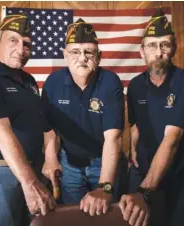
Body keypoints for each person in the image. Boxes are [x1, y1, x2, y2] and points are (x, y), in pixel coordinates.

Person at [0, 14, 56, 226]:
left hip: (33, 167)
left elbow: (44, 124)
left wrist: (50, 158)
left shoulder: (28, 80)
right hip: (0, 172)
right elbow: (0, 131)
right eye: (13, 40)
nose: (21, 49)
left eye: (27, 44)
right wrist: (30, 182)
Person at [119, 9, 184, 226]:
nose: (159, 51)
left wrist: (145, 191)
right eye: (152, 45)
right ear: (142, 51)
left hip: (180, 171)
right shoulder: (135, 86)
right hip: (144, 168)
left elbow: (172, 140)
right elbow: (135, 123)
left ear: (173, 48)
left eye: (164, 44)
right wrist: (133, 147)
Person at [41, 18, 126, 216]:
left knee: (106, 214)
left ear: (99, 56)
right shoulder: (53, 83)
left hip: (103, 161)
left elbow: (113, 138)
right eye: (75, 52)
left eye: (89, 52)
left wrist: (105, 187)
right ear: (64, 55)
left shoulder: (110, 82)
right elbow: (49, 128)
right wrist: (50, 158)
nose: (82, 58)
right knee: (74, 216)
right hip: (69, 163)